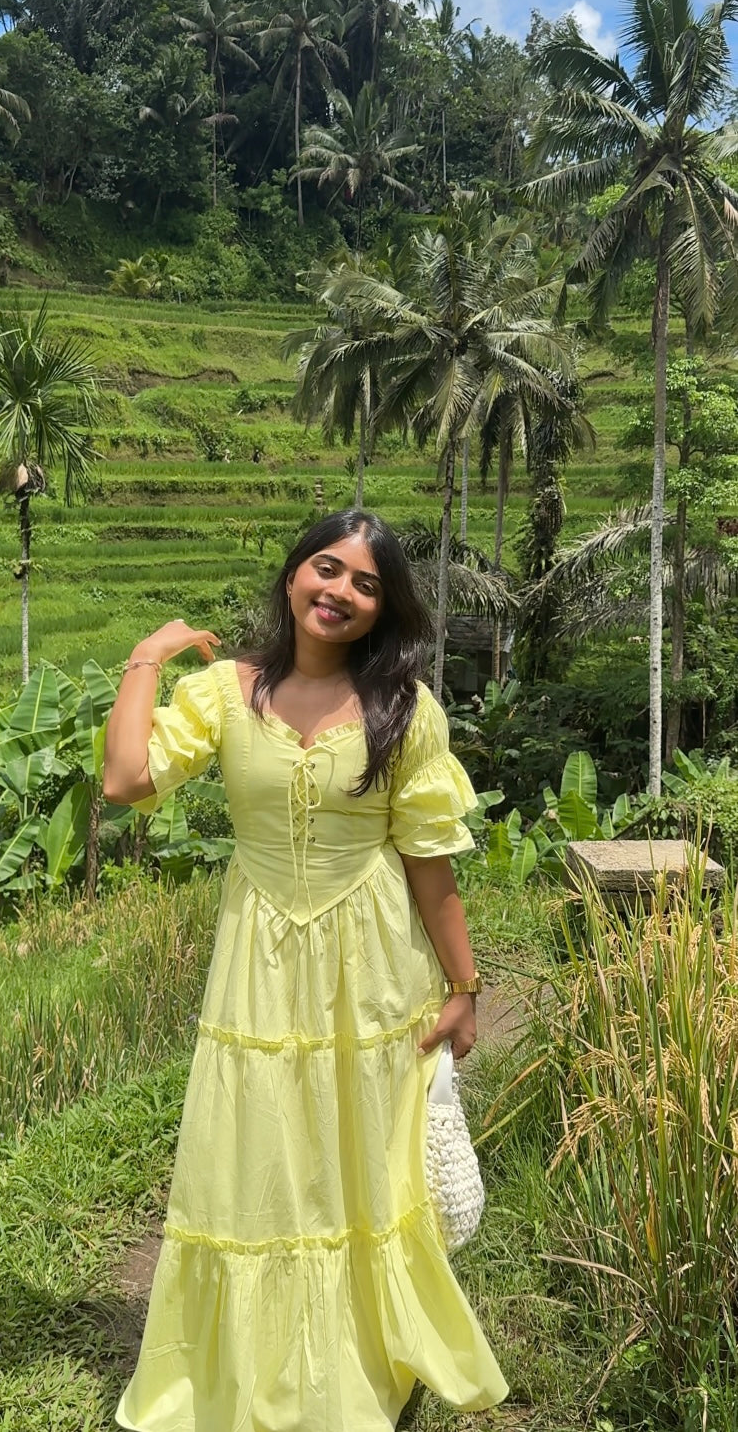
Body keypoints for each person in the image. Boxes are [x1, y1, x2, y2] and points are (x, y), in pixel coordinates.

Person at [104, 509, 508, 1432]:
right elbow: (127, 780)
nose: (341, 592)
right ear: (293, 577)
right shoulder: (225, 692)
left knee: (358, 1159)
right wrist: (146, 656)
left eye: (366, 584)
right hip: (259, 953)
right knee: (254, 1153)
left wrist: (464, 987)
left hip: (370, 962)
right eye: (328, 569)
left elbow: (429, 865)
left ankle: (359, 1358)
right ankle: (248, 1363)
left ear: (382, 609)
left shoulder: (404, 708)